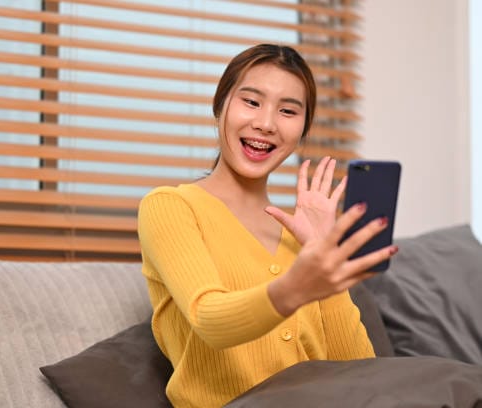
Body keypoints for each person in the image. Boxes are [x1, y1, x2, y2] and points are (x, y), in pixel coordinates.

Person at [137, 43, 398, 408]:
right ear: (219, 106)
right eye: (251, 102)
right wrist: (297, 285)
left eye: (288, 111)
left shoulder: (300, 233)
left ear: (302, 130)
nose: (266, 123)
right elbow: (209, 320)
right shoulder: (171, 206)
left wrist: (326, 260)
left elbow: (358, 370)